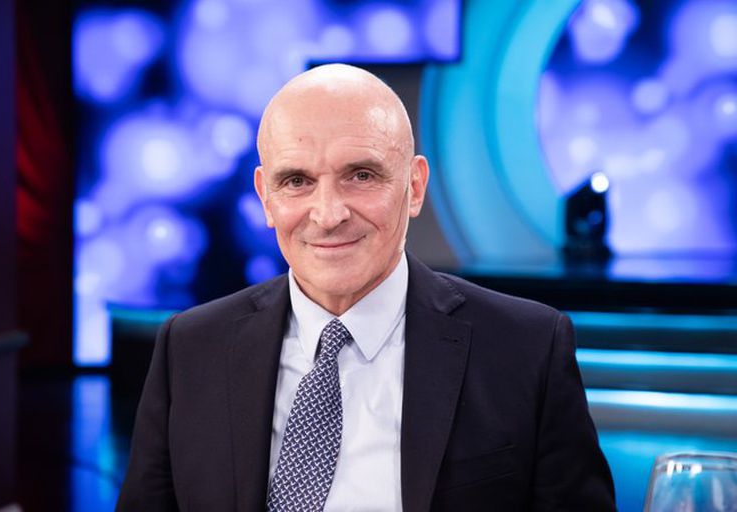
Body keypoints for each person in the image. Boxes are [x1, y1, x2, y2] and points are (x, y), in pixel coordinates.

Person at [117, 64, 616, 511]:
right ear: (266, 198)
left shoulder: (526, 348)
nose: (328, 214)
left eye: (360, 175)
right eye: (297, 181)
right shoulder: (190, 348)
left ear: (414, 187)